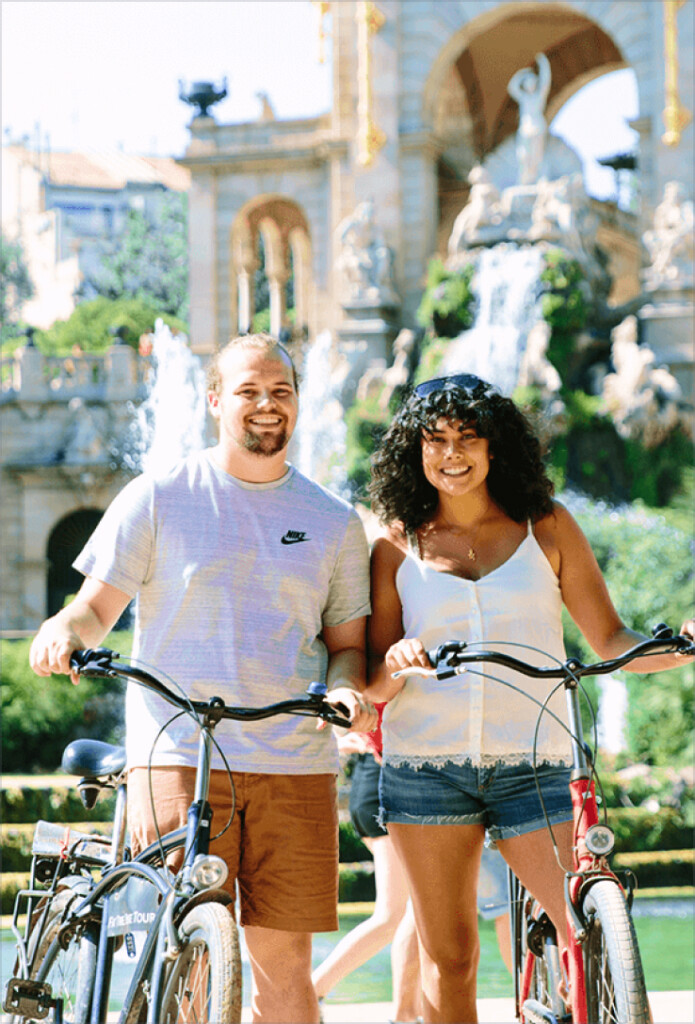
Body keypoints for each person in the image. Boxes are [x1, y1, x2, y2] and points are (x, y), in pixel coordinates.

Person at [29, 332, 378, 1024]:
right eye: (248, 390)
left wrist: (346, 690)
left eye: (280, 391)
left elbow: (346, 646)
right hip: (179, 756)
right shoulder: (158, 497)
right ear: (215, 399)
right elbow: (96, 608)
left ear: (298, 403)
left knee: (285, 974)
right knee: (181, 962)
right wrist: (64, 631)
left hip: (294, 765)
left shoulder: (333, 522)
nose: (265, 405)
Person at [365, 372, 693, 1023]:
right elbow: (372, 678)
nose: (450, 454)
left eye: (466, 438)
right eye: (434, 440)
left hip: (533, 763)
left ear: (495, 448)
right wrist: (396, 663)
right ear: (415, 449)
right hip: (426, 769)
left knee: (587, 930)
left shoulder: (545, 527)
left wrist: (685, 645)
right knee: (451, 959)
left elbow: (609, 639)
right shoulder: (393, 541)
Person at [312, 710, 421, 1024]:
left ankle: (411, 1012)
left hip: (376, 784)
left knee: (411, 912)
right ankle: (312, 990)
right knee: (396, 915)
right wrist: (339, 741)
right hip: (382, 786)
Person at [507, 52, 552, 185]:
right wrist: (522, 73)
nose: (530, 84)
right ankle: (525, 179)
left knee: (537, 156)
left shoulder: (539, 97)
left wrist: (543, 63)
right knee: (523, 156)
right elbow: (512, 87)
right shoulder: (524, 98)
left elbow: (546, 80)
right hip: (525, 129)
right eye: (527, 82)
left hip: (537, 128)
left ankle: (541, 177)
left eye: (532, 81)